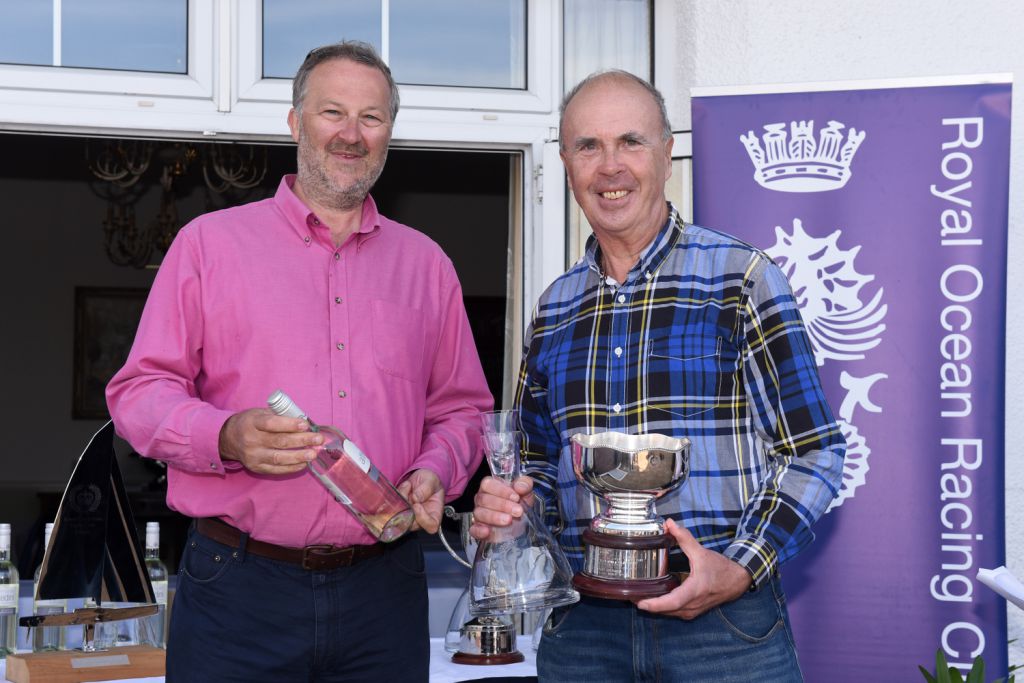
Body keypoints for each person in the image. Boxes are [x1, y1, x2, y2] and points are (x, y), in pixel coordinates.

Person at [107, 41, 492, 683]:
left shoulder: (427, 266)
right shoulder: (208, 246)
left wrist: (435, 469)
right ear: (294, 123)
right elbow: (138, 393)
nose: (351, 134)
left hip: (384, 592)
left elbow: (463, 411)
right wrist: (224, 435)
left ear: (389, 134)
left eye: (371, 118)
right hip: (238, 590)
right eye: (331, 112)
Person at [470, 70, 846, 682]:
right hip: (584, 632)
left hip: (723, 631)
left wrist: (741, 566)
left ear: (668, 153)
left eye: (631, 141)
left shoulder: (741, 279)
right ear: (565, 162)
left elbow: (814, 452)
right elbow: (537, 465)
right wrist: (513, 505)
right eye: (587, 146)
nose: (609, 166)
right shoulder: (555, 307)